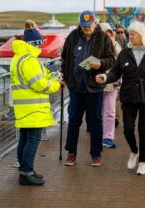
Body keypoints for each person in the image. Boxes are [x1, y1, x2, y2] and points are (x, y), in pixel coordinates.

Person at [95, 22, 145, 175]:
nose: (130, 36)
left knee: (143, 130)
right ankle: (134, 151)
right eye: (130, 34)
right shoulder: (124, 53)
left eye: (133, 34)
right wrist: (105, 76)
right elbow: (115, 73)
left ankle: (142, 161)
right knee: (128, 129)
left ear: (141, 35)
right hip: (128, 95)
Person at [61, 10, 115, 167]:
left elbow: (111, 59)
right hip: (76, 87)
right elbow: (65, 58)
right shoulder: (72, 36)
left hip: (94, 87)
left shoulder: (103, 38)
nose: (87, 29)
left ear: (95, 23)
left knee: (95, 121)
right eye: (84, 27)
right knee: (73, 120)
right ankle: (71, 153)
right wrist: (64, 77)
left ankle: (96, 154)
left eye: (89, 26)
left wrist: (100, 64)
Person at [10, 29, 61, 186]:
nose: (41, 46)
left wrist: (52, 75)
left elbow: (40, 75)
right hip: (34, 107)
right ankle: (26, 173)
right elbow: (39, 84)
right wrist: (56, 84)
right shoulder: (30, 60)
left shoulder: (19, 58)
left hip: (24, 107)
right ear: (35, 44)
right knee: (33, 139)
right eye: (40, 43)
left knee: (25, 138)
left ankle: (26, 170)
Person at [99, 23, 122, 148]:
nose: (108, 35)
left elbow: (122, 58)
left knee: (110, 111)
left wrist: (113, 43)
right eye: (105, 32)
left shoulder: (115, 44)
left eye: (109, 32)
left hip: (112, 82)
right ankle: (98, 133)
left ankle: (107, 137)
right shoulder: (94, 45)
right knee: (96, 111)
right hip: (96, 82)